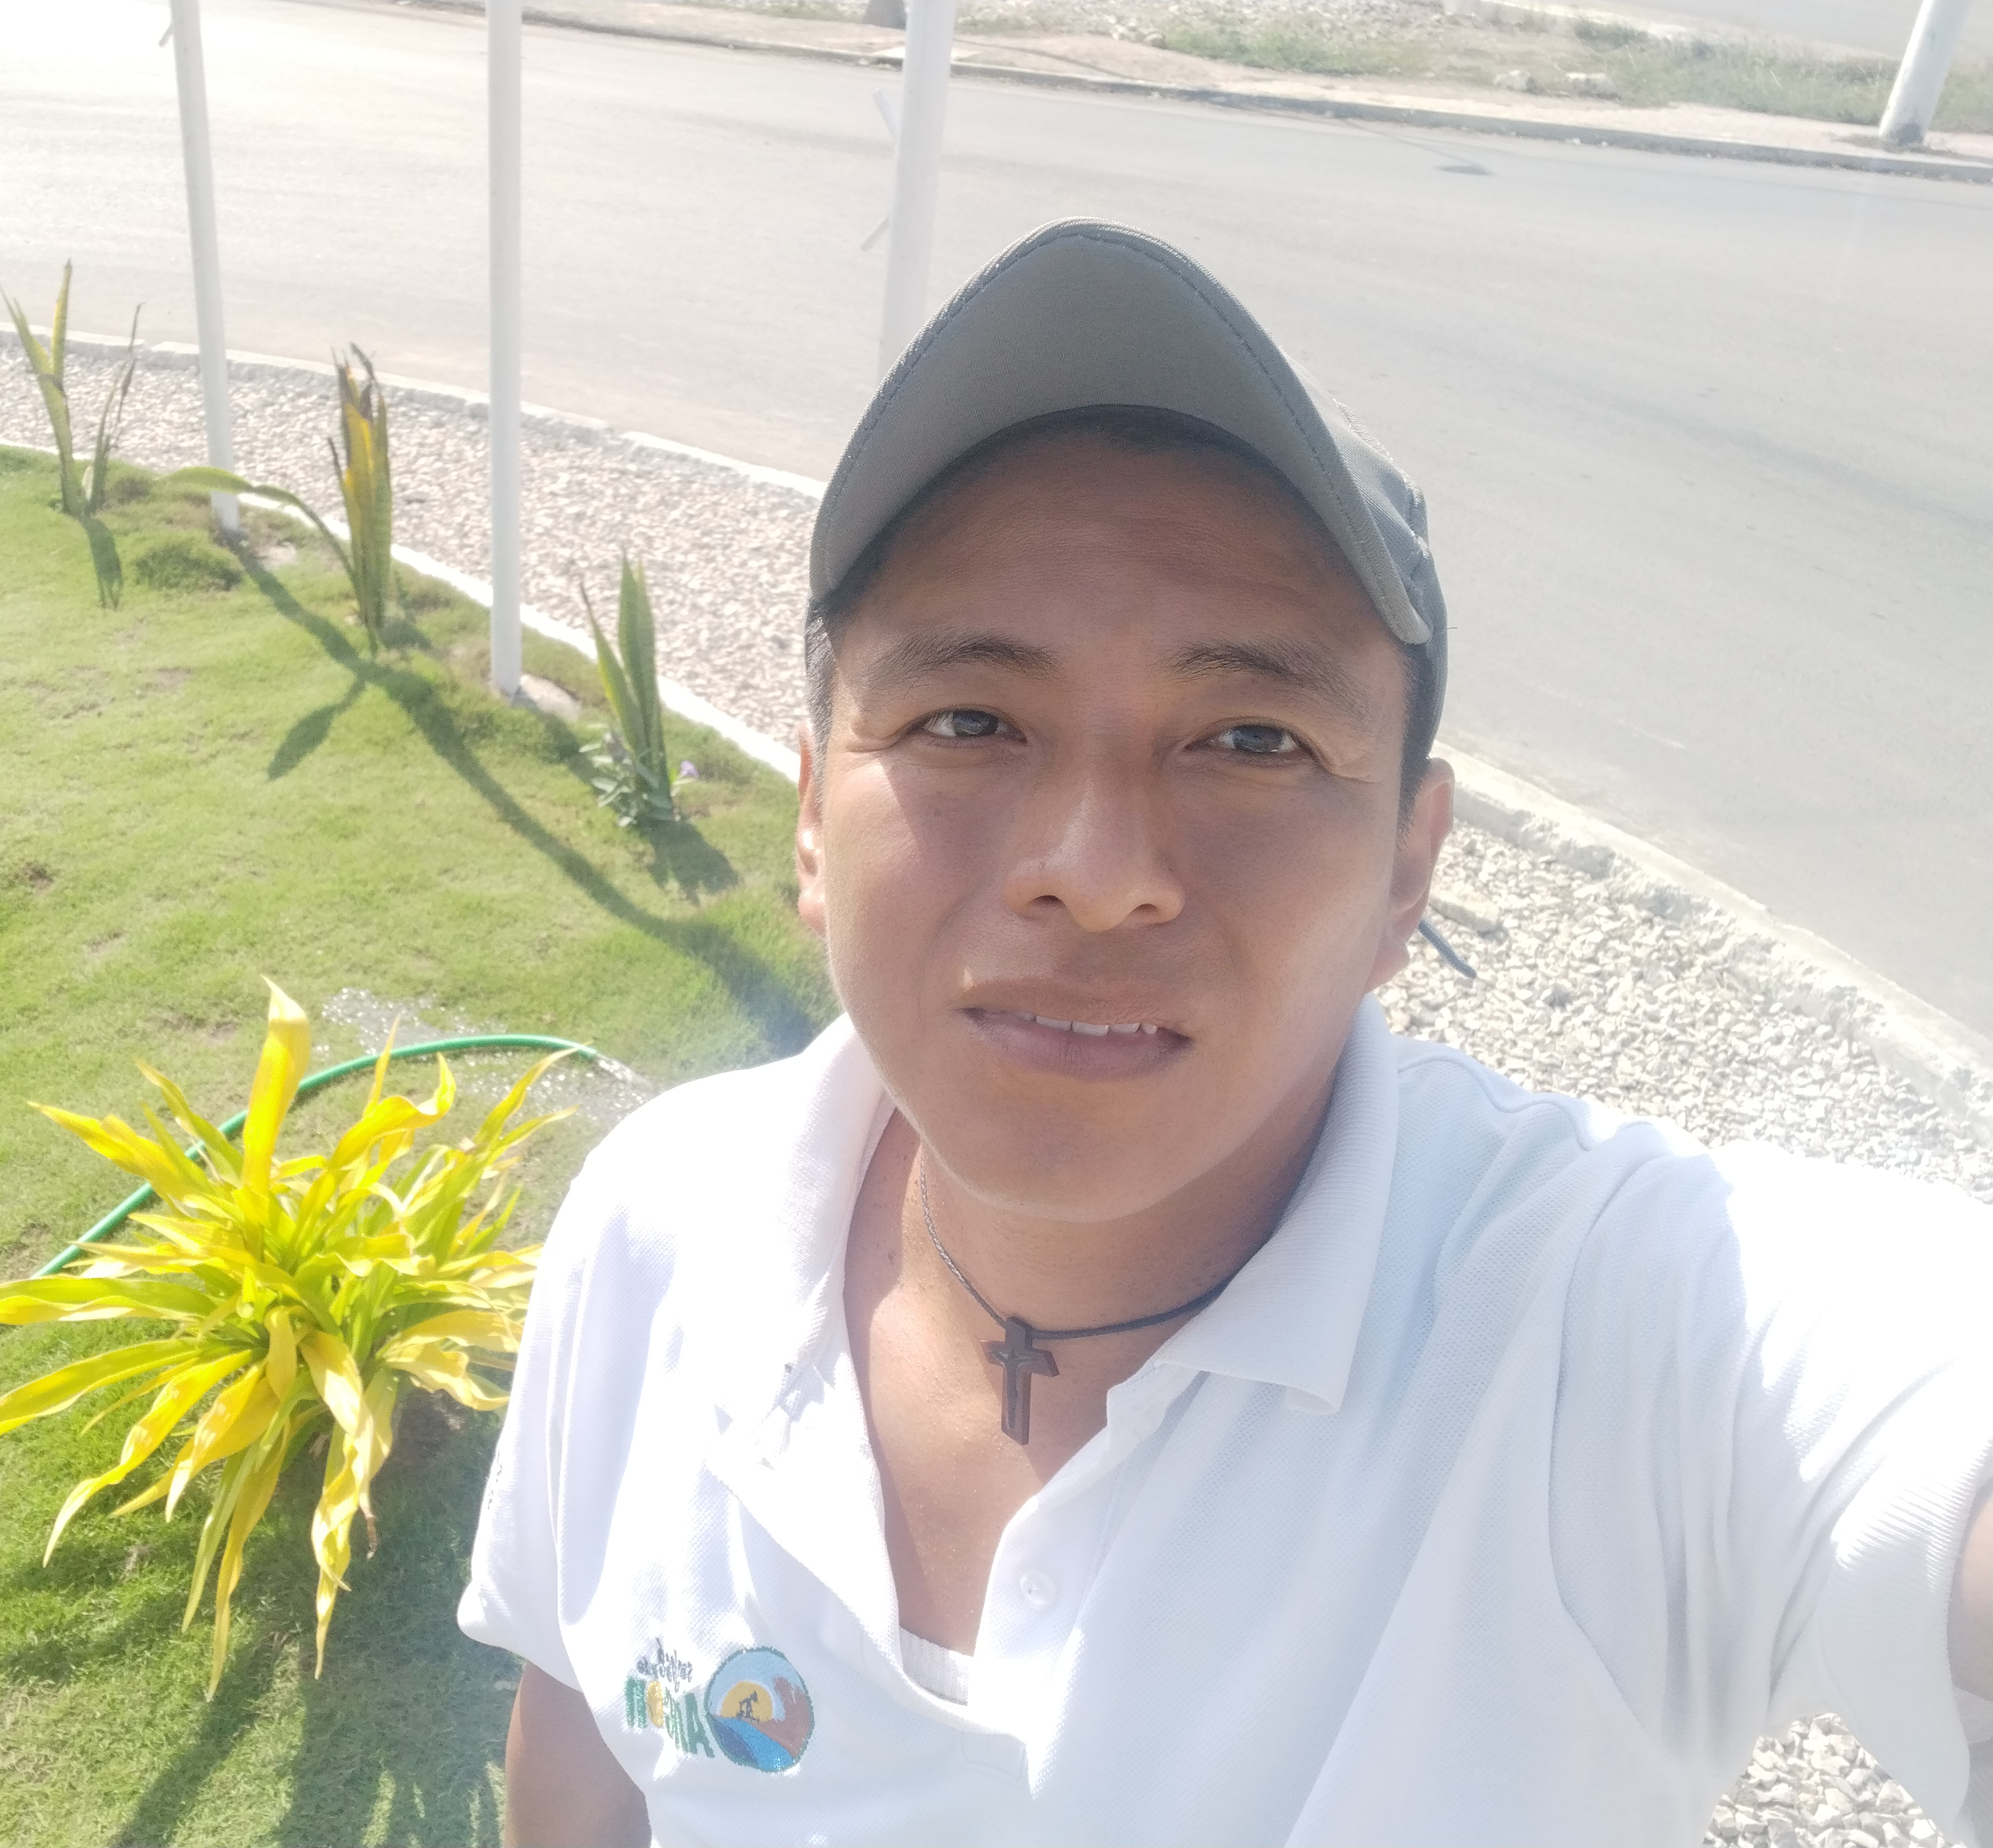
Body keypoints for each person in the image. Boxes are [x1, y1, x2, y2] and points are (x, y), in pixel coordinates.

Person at [457, 220, 1993, 1846]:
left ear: (1407, 872)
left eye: (1253, 739)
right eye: (969, 719)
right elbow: (584, 1751)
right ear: (813, 816)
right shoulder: (657, 1228)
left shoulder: (1618, 1340)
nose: (1095, 871)